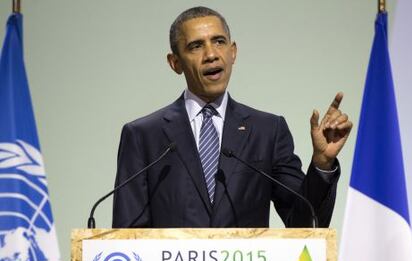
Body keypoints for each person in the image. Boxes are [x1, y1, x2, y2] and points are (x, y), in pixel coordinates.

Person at [112, 6, 352, 228]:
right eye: (196, 46)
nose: (211, 55)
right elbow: (128, 235)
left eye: (219, 42)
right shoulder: (144, 135)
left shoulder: (267, 131)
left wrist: (322, 164)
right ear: (175, 63)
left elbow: (305, 224)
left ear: (233, 51)